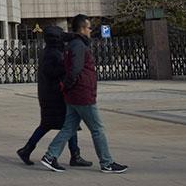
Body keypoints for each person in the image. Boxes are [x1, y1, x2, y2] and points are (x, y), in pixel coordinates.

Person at [40, 14, 128, 174]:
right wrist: (68, 85)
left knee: (68, 128)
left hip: (74, 94)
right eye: (89, 27)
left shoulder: (72, 44)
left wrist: (67, 87)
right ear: (82, 28)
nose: (90, 30)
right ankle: (107, 162)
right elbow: (75, 70)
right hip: (82, 94)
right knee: (97, 129)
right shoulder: (78, 45)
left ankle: (50, 156)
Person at [16, 25, 91, 167]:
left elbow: (66, 37)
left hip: (51, 94)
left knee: (63, 124)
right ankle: (72, 155)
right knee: (67, 124)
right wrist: (66, 65)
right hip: (53, 96)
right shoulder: (52, 53)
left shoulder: (52, 50)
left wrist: (76, 37)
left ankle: (28, 149)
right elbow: (52, 72)